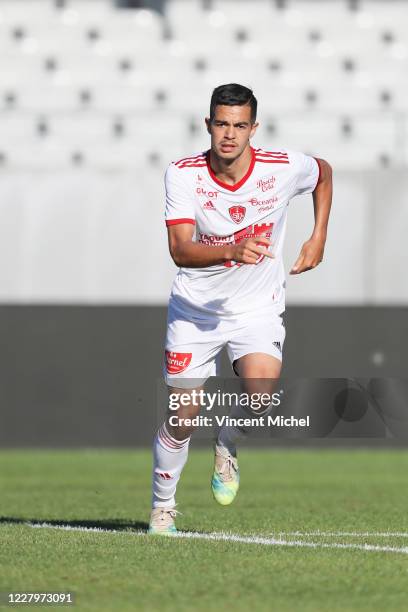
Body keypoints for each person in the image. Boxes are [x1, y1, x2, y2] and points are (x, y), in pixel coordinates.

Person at [149, 83, 332, 534]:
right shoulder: (183, 174)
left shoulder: (282, 167)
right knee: (183, 414)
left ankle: (228, 440)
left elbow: (324, 173)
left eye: (239, 125)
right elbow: (180, 249)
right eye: (221, 124)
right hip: (196, 310)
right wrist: (232, 249)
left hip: (256, 306)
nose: (229, 134)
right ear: (207, 124)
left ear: (254, 128)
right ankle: (163, 506)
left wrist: (318, 237)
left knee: (263, 395)